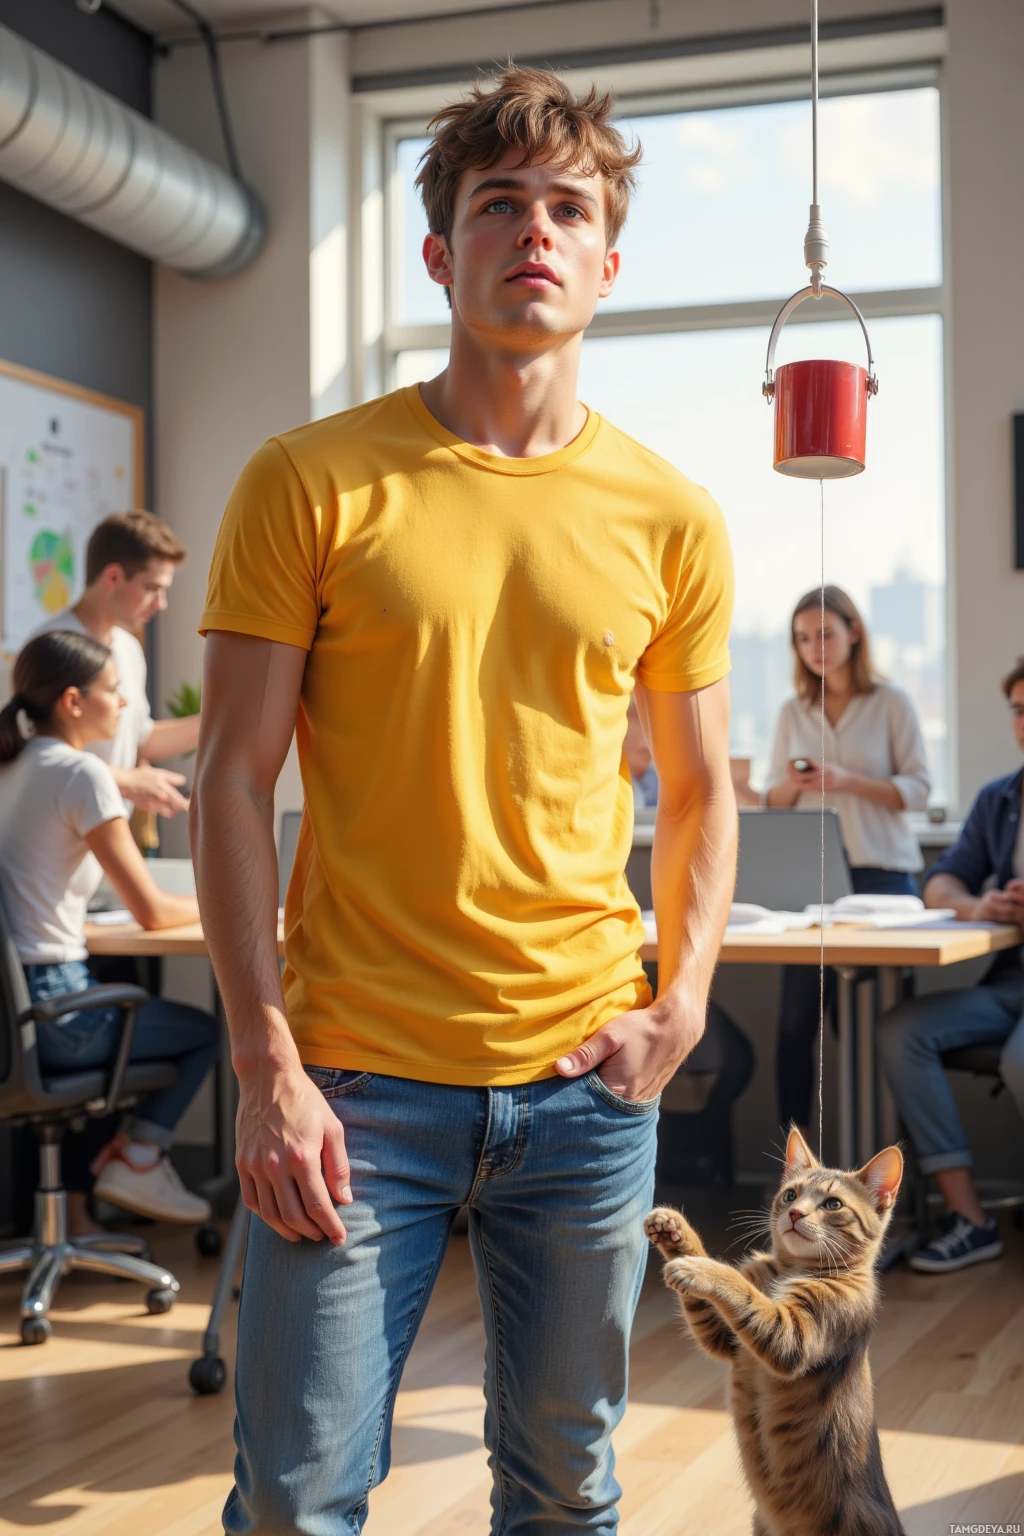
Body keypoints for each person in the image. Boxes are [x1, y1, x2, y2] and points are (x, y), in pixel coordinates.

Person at [192, 67, 737, 1535]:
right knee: (300, 1501)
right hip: (352, 1088)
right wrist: (263, 1063)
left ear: (609, 265)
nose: (536, 232)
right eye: (501, 205)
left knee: (567, 1493)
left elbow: (696, 789)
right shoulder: (310, 481)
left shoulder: (671, 515)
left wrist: (681, 995)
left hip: (586, 1083)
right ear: (443, 253)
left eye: (570, 208)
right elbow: (229, 780)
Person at [0, 631, 217, 1232]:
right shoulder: (82, 775)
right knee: (203, 1031)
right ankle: (140, 1156)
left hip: (13, 1013)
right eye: (114, 691)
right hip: (56, 1013)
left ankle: (115, 1173)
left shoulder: (11, 766)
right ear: (73, 701)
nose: (124, 705)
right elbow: (149, 910)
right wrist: (220, 903)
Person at [765, 585, 931, 1138]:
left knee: (872, 1029)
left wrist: (846, 781)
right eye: (803, 638)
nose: (815, 647)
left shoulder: (891, 702)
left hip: (883, 879)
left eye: (826, 634)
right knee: (794, 1026)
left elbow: (919, 790)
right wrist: (794, 782)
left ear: (854, 632)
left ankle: (886, 1166)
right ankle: (792, 1164)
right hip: (814, 885)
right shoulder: (794, 711)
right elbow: (773, 800)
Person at [878, 657, 1024, 1274]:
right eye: (1019, 710)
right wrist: (979, 904)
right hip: (1009, 983)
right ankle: (971, 1219)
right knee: (900, 1029)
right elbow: (940, 881)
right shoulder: (1001, 799)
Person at [30, 510, 200, 819]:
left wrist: (224, 719)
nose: (161, 603)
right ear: (113, 577)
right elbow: (33, 753)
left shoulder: (128, 649)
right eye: (152, 588)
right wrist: (128, 781)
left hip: (102, 841)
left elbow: (141, 738)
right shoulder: (50, 648)